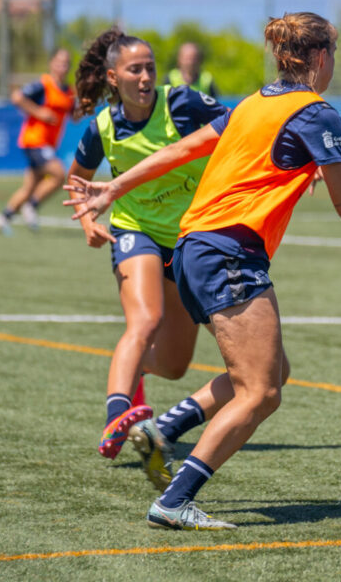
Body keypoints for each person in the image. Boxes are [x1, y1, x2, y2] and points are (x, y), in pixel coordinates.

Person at [66, 11, 341, 530]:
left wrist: (113, 187)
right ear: (322, 57)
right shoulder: (316, 114)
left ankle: (166, 428)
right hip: (228, 253)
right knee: (260, 392)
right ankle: (175, 500)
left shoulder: (254, 105)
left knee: (270, 372)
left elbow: (184, 148)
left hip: (194, 248)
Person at [65, 28, 230, 460]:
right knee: (144, 320)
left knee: (175, 366)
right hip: (134, 231)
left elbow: (239, 130)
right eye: (134, 70)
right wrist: (87, 223)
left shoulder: (182, 103)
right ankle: (117, 415)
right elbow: (77, 181)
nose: (144, 78)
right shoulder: (102, 126)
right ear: (113, 76)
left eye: (150, 69)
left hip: (188, 239)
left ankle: (133, 369)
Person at [0, 48, 75, 234]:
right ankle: (31, 206)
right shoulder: (43, 85)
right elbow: (16, 97)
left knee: (29, 187)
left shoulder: (68, 92)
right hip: (34, 141)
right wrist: (39, 113)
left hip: (48, 144)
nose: (63, 66)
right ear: (51, 63)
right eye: (59, 62)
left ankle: (3, 217)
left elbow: (75, 116)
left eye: (66, 63)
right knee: (59, 174)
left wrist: (87, 103)